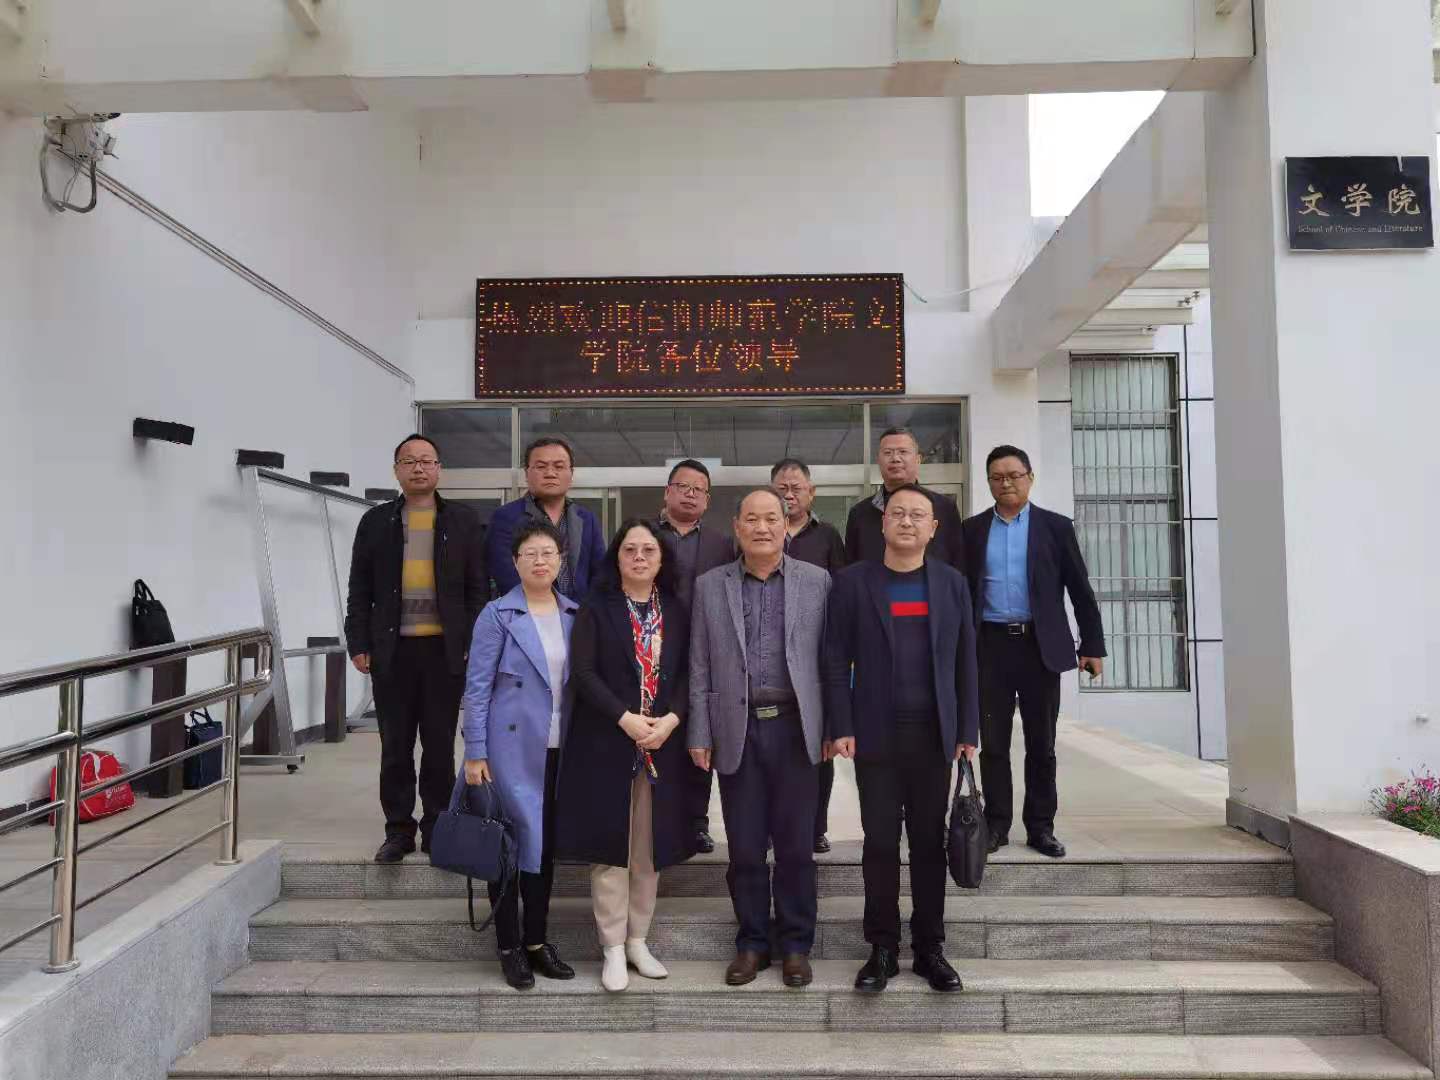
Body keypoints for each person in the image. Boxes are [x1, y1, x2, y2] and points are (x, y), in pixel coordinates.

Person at [825, 483, 979, 993]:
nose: (907, 521)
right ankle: (883, 948)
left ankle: (930, 947)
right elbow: (835, 658)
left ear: (933, 528)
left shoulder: (952, 583)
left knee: (929, 843)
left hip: (933, 735)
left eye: (917, 515)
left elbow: (966, 660)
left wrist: (967, 729)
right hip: (875, 734)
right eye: (898, 513)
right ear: (883, 523)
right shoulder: (852, 583)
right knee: (880, 843)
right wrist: (841, 725)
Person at [688, 489, 831, 989]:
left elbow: (831, 662)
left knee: (795, 847)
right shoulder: (711, 586)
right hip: (737, 727)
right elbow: (699, 662)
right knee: (745, 847)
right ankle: (751, 943)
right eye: (752, 519)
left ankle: (795, 946)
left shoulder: (817, 582)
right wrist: (700, 731)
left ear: (786, 524)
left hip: (797, 727)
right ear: (738, 526)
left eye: (772, 518)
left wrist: (833, 726)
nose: (763, 527)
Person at [555, 519, 695, 992]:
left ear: (661, 559)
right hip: (607, 742)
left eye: (648, 550)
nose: (639, 557)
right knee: (611, 850)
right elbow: (584, 673)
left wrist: (671, 719)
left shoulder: (676, 609)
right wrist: (624, 718)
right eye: (630, 549)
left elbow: (689, 673)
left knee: (648, 850)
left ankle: (638, 940)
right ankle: (612, 946)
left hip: (660, 745)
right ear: (616, 557)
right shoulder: (597, 608)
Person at [345, 433, 487, 865]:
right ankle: (398, 830)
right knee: (396, 746)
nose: (418, 468)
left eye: (426, 460)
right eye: (409, 461)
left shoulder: (463, 521)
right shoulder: (376, 522)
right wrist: (358, 641)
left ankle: (437, 827)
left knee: (440, 746)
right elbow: (359, 589)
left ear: (439, 468)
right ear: (396, 470)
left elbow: (478, 590)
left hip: (445, 651)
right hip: (393, 651)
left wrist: (472, 642)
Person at [961, 445, 1106, 860]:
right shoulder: (972, 530)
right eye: (997, 477)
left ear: (1030, 477)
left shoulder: (1055, 527)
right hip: (989, 648)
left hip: (1038, 648)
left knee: (1042, 744)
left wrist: (1092, 645)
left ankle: (1041, 828)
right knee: (993, 744)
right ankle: (996, 825)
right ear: (988, 483)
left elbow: (1080, 589)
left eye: (1014, 475)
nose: (1006, 483)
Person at [461, 521, 579, 990]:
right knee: (508, 849)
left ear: (560, 561)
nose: (539, 561)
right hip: (508, 750)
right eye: (530, 553)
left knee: (543, 850)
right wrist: (475, 751)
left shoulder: (573, 613)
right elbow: (477, 686)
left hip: (559, 748)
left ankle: (536, 941)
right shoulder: (497, 615)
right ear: (515, 562)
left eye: (548, 552)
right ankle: (509, 946)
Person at [654, 458, 735, 855]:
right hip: (652, 653)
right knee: (656, 738)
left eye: (698, 489)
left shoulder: (722, 544)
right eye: (682, 487)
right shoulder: (644, 535)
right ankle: (657, 820)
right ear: (667, 492)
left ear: (707, 499)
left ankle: (697, 823)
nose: (690, 494)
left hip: (704, 653)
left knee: (700, 737)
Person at [770, 457, 846, 855]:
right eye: (781, 488)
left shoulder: (828, 535)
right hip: (769, 654)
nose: (789, 494)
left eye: (796, 487)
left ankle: (817, 826)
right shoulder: (761, 531)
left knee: (819, 746)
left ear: (811, 493)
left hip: (816, 652)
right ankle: (774, 827)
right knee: (775, 749)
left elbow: (841, 591)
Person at [487, 436, 605, 601]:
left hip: (581, 614)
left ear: (571, 473)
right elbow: (506, 576)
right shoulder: (505, 518)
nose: (550, 473)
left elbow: (599, 574)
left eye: (559, 466)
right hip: (528, 612)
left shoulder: (587, 519)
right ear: (526, 473)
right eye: (541, 467)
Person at [845, 426, 965, 568]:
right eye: (888, 453)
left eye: (903, 452)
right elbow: (850, 568)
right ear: (878, 460)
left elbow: (958, 564)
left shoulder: (945, 508)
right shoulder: (859, 513)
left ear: (918, 459)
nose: (895, 458)